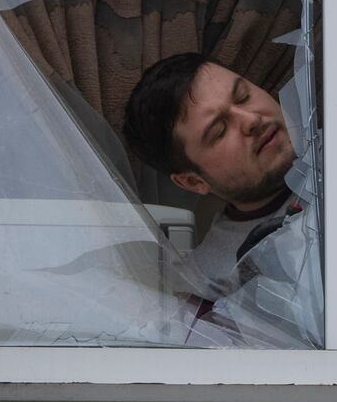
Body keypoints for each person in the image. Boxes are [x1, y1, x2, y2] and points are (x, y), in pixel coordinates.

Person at [122, 52, 305, 295]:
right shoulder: (212, 285)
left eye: (243, 96)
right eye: (219, 131)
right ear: (192, 181)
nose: (251, 119)